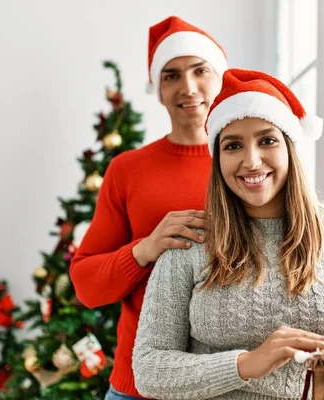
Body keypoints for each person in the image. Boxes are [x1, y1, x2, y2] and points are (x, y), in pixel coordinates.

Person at [132, 68, 324, 399]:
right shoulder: (191, 241)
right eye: (233, 146)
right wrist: (246, 364)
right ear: (219, 159)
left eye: (267, 140)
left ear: (289, 148)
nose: (251, 161)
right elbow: (149, 370)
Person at [70, 16, 228, 400]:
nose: (188, 88)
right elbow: (87, 286)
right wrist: (144, 248)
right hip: (139, 387)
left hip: (229, 382)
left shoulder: (251, 165)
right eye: (171, 75)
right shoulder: (127, 170)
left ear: (221, 76)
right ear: (157, 88)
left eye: (200, 71)